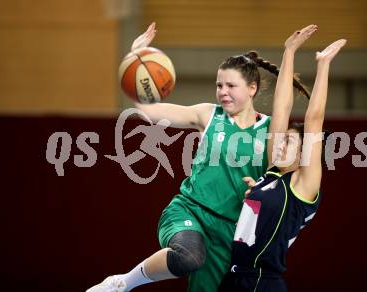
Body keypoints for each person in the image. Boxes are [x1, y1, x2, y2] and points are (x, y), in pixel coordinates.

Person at [86, 22, 310, 292]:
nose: (223, 91)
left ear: (252, 88)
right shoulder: (208, 115)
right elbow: (147, 109)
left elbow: (283, 103)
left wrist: (289, 53)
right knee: (189, 255)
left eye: (231, 85)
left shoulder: (270, 131)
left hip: (231, 233)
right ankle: (122, 283)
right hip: (190, 211)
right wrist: (137, 60)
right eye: (219, 85)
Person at [218, 25, 346, 291]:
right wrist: (289, 52)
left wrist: (323, 66)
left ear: (304, 153)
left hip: (262, 281)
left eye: (289, 141)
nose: (280, 142)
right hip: (233, 278)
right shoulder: (271, 174)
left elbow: (313, 120)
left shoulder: (302, 186)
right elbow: (281, 106)